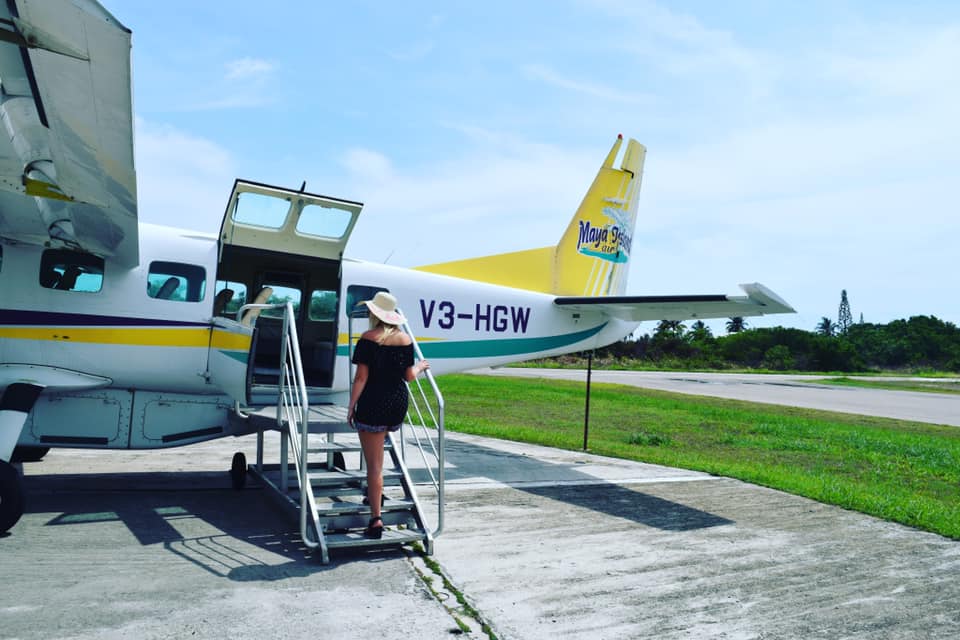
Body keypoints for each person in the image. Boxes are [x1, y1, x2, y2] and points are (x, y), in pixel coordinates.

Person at [348, 291, 429, 539]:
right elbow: (408, 376)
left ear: (374, 313)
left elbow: (361, 377)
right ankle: (375, 495)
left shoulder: (368, 338)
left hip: (373, 402)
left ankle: (376, 520)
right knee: (378, 463)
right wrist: (420, 366)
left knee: (374, 466)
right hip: (396, 403)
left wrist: (351, 405)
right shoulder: (405, 339)